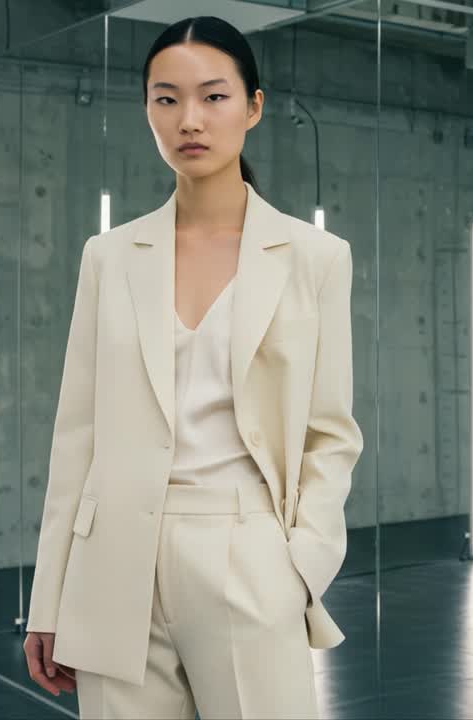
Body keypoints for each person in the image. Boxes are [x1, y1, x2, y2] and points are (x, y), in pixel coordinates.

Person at [20, 16, 363, 718]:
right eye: (166, 99)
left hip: (246, 551)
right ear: (147, 110)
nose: (190, 120)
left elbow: (330, 433)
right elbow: (76, 435)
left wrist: (300, 567)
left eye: (213, 96)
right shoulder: (109, 257)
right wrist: (49, 594)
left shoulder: (313, 258)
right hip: (114, 561)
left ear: (254, 107)